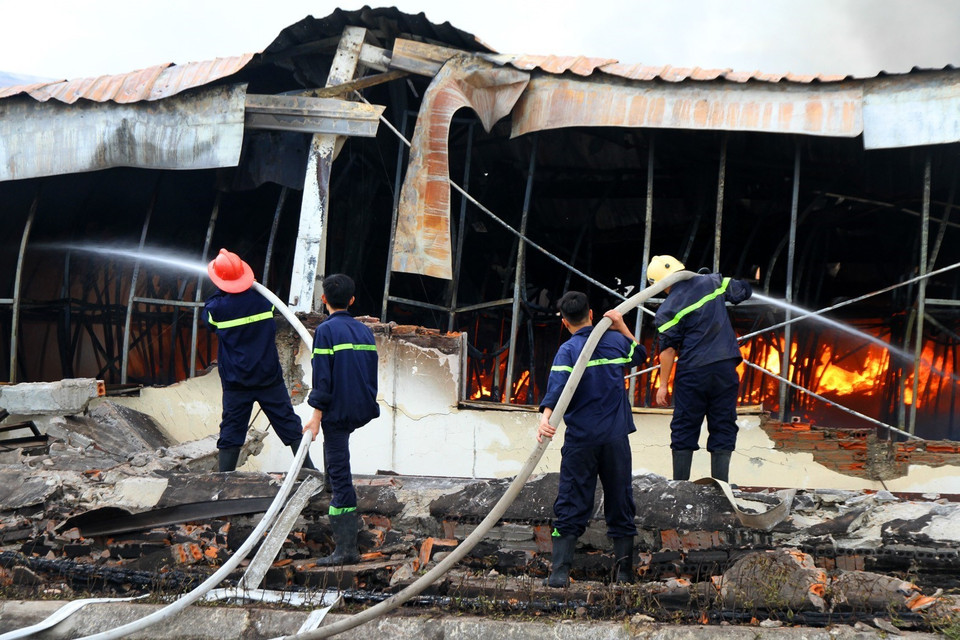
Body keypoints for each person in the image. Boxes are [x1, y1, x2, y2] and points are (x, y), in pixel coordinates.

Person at [537, 291, 646, 587]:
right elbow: (639, 355)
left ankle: (560, 571)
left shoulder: (567, 350)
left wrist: (545, 418)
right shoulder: (614, 342)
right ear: (591, 313)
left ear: (564, 321)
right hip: (614, 438)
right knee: (620, 499)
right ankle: (624, 573)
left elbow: (557, 387)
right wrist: (620, 325)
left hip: (581, 439)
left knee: (571, 498)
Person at [204, 248, 315, 473]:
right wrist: (250, 286)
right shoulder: (264, 301)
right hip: (268, 377)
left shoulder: (216, 308)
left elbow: (210, 322)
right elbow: (275, 306)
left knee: (232, 431)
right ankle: (310, 472)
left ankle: (224, 480)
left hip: (237, 382)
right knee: (288, 423)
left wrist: (220, 291)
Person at [647, 254, 752, 483]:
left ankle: (680, 486)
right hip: (725, 368)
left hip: (693, 371)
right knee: (723, 423)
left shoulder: (666, 310)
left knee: (685, 425)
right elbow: (742, 291)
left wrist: (663, 385)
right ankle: (721, 489)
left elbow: (667, 350)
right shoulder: (713, 281)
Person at [302, 273, 380, 566]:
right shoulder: (364, 331)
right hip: (361, 406)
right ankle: (332, 484)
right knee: (336, 463)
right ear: (352, 301)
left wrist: (316, 417)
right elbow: (370, 372)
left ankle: (346, 549)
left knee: (340, 471)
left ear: (324, 300)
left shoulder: (325, 331)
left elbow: (323, 378)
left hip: (338, 411)